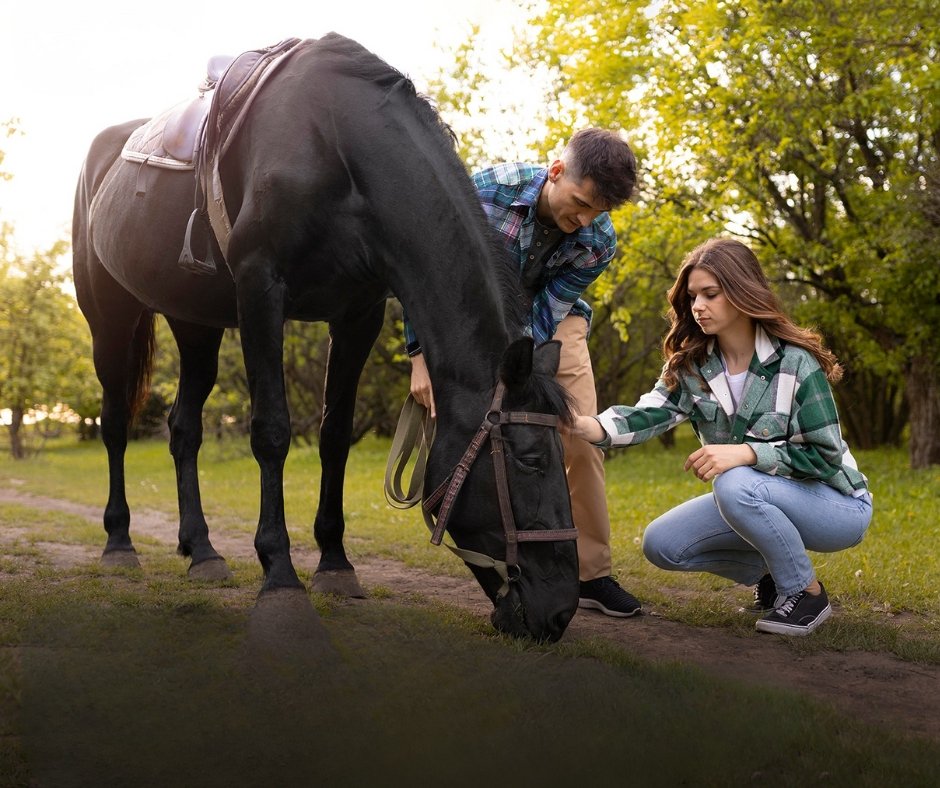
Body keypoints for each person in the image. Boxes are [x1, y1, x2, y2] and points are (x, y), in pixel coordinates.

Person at [568, 238, 873, 635]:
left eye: (710, 294)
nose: (697, 306)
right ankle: (775, 573)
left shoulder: (795, 362)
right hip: (754, 496)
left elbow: (826, 457)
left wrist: (747, 453)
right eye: (693, 296)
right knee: (662, 544)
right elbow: (647, 414)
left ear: (742, 291)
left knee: (733, 481)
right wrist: (583, 424)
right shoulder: (694, 366)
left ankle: (806, 594)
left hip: (836, 505)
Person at [405, 128, 642, 617]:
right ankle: (499, 551)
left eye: (598, 213)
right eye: (579, 203)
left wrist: (519, 371)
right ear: (556, 172)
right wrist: (418, 355)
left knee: (579, 434)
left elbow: (548, 313)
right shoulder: (486, 191)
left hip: (551, 324)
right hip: (470, 319)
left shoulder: (598, 241)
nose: (583, 221)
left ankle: (592, 575)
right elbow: (426, 272)